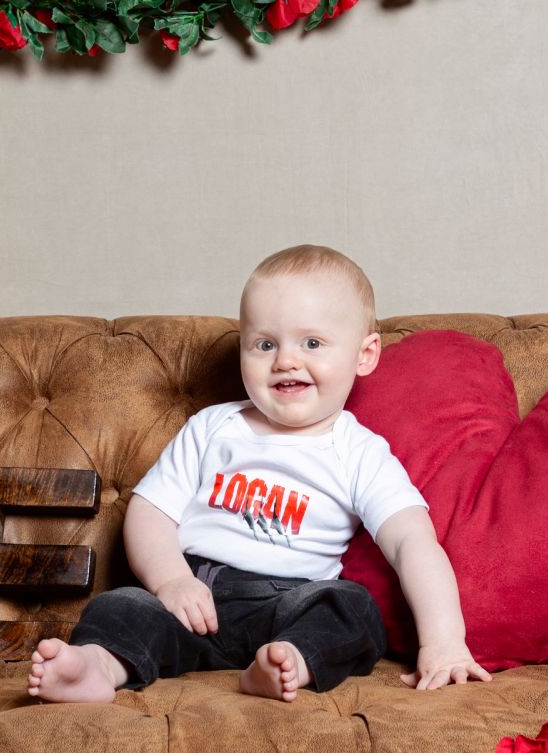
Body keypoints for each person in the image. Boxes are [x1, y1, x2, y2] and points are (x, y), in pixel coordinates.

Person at [28, 244, 491, 703]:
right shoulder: (213, 428)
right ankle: (96, 667)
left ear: (364, 354)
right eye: (265, 344)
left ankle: (288, 662)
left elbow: (413, 542)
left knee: (353, 608)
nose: (285, 360)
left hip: (288, 605)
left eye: (312, 343)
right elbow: (151, 512)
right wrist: (170, 580)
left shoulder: (359, 452)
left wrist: (444, 642)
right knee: (122, 606)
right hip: (195, 594)